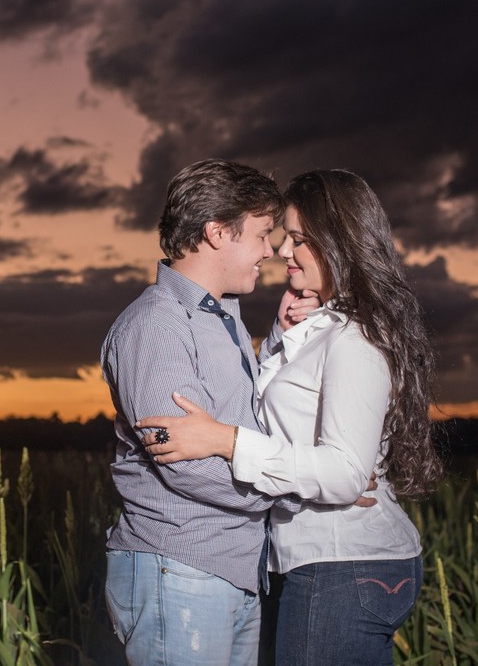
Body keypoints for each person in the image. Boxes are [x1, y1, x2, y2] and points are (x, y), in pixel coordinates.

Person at [139, 169, 444, 666]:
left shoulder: (354, 338)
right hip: (329, 563)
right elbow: (284, 416)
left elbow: (343, 475)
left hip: (342, 563)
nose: (282, 250)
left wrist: (226, 441)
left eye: (297, 239)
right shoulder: (323, 329)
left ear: (337, 243)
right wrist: (282, 338)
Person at [102, 159, 317, 666]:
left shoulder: (222, 317)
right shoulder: (157, 324)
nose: (271, 251)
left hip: (231, 568)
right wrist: (300, 483)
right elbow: (185, 460)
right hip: (179, 567)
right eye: (262, 234)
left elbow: (237, 415)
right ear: (217, 232)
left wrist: (280, 338)